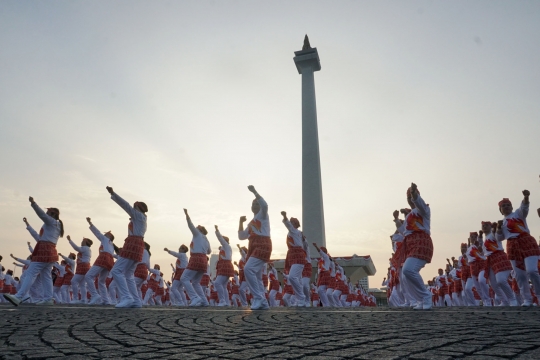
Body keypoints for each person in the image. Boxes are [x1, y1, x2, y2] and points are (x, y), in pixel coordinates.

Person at [4, 197, 63, 306]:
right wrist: (28, 226)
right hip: (49, 251)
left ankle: (19, 296)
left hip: (44, 251)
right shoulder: (53, 225)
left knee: (30, 273)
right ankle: (48, 298)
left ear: (53, 214)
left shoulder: (53, 222)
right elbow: (37, 236)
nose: (46, 213)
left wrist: (33, 203)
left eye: (48, 212)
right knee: (46, 276)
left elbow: (42, 215)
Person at [393, 183, 434, 310]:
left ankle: (426, 296)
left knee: (408, 270)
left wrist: (414, 194)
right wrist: (396, 219)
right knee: (406, 276)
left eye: (411, 196)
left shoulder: (423, 210)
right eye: (408, 197)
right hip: (410, 244)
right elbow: (403, 230)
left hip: (421, 242)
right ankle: (420, 299)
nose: (410, 199)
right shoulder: (411, 215)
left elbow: (419, 202)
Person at [107, 186, 148, 308]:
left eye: (135, 207)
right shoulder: (140, 219)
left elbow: (126, 206)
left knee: (116, 270)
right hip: (137, 244)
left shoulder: (139, 216)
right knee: (129, 274)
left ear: (138, 208)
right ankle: (136, 301)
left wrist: (114, 194)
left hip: (133, 244)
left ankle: (127, 297)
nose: (133, 209)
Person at [496, 192, 540, 306]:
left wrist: (526, 197)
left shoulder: (518, 214)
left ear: (511, 207)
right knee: (519, 275)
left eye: (508, 205)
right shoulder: (502, 223)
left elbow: (524, 208)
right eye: (503, 206)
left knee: (532, 271)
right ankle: (527, 300)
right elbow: (499, 238)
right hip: (512, 246)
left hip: (526, 242)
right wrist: (499, 228)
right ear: (500, 210)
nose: (506, 207)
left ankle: (539, 296)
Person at [238, 185, 272, 310]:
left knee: (248, 269)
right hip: (253, 246)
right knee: (256, 275)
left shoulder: (263, 215)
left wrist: (254, 192)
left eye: (256, 204)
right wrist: (240, 222)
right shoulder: (252, 222)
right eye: (253, 204)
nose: (255, 205)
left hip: (262, 244)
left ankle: (258, 298)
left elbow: (265, 206)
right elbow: (242, 236)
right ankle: (262, 301)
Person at [480, 221, 517, 306]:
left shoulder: (493, 234)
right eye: (483, 226)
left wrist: (495, 228)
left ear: (490, 227)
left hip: (498, 257)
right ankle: (504, 301)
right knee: (493, 283)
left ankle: (512, 299)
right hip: (490, 260)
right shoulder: (485, 239)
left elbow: (496, 233)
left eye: (486, 225)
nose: (485, 227)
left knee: (500, 280)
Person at [180, 209, 211, 307]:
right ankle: (204, 301)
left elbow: (190, 226)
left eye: (198, 227)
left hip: (196, 258)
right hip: (204, 260)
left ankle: (194, 297)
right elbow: (209, 251)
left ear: (200, 230)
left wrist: (187, 215)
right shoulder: (207, 240)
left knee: (184, 278)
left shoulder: (197, 234)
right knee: (196, 282)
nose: (196, 228)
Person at [85, 217, 115, 305]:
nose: (104, 234)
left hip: (103, 257)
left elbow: (97, 233)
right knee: (101, 281)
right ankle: (106, 300)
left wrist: (90, 223)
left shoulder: (105, 239)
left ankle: (94, 295)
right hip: (110, 261)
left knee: (88, 276)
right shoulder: (111, 245)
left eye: (106, 234)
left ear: (109, 236)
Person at [281, 211, 306, 306]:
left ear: (294, 224)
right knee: (296, 279)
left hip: (297, 255)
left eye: (292, 222)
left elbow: (288, 226)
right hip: (294, 255)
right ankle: (299, 299)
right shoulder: (296, 232)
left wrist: (285, 217)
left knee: (292, 277)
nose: (290, 224)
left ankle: (301, 297)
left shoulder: (294, 231)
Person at [67, 235, 93, 304]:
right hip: (85, 266)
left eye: (83, 241)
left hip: (83, 266)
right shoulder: (88, 249)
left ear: (85, 242)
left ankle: (75, 298)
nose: (81, 242)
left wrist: (70, 240)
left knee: (74, 281)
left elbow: (76, 248)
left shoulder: (85, 248)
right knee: (82, 284)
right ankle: (83, 299)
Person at [214, 226, 234, 306]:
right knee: (223, 285)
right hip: (225, 265)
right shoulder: (225, 247)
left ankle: (222, 301)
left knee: (217, 283)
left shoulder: (226, 246)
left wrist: (217, 231)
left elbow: (220, 239)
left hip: (225, 265)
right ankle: (226, 302)